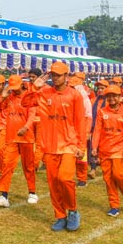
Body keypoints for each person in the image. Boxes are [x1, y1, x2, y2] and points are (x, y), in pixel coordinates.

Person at [22, 62, 85, 231]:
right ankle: (60, 215)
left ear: (66, 76)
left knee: (65, 179)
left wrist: (81, 146)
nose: (56, 78)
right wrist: (33, 88)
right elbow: (25, 103)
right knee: (53, 183)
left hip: (69, 145)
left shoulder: (74, 95)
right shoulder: (43, 92)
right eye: (53, 75)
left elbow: (80, 121)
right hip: (49, 146)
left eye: (59, 75)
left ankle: (72, 210)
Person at [0, 75, 38, 207]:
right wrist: (3, 96)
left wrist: (26, 127)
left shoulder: (29, 96)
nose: (14, 90)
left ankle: (32, 192)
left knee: (28, 166)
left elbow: (32, 115)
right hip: (11, 137)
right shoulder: (9, 97)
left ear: (22, 84)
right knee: (7, 166)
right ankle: (4, 195)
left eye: (16, 88)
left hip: (26, 137)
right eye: (12, 88)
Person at [91, 85, 123, 217]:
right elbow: (97, 130)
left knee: (119, 176)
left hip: (119, 150)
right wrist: (94, 147)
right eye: (109, 96)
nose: (112, 98)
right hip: (104, 150)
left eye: (114, 95)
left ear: (120, 97)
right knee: (108, 179)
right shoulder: (102, 111)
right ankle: (114, 206)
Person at [88, 79, 109, 179]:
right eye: (98, 88)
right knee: (93, 148)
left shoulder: (110, 101)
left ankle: (106, 169)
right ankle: (93, 169)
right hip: (94, 129)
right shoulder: (93, 100)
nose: (100, 90)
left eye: (102, 88)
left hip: (106, 129)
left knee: (104, 149)